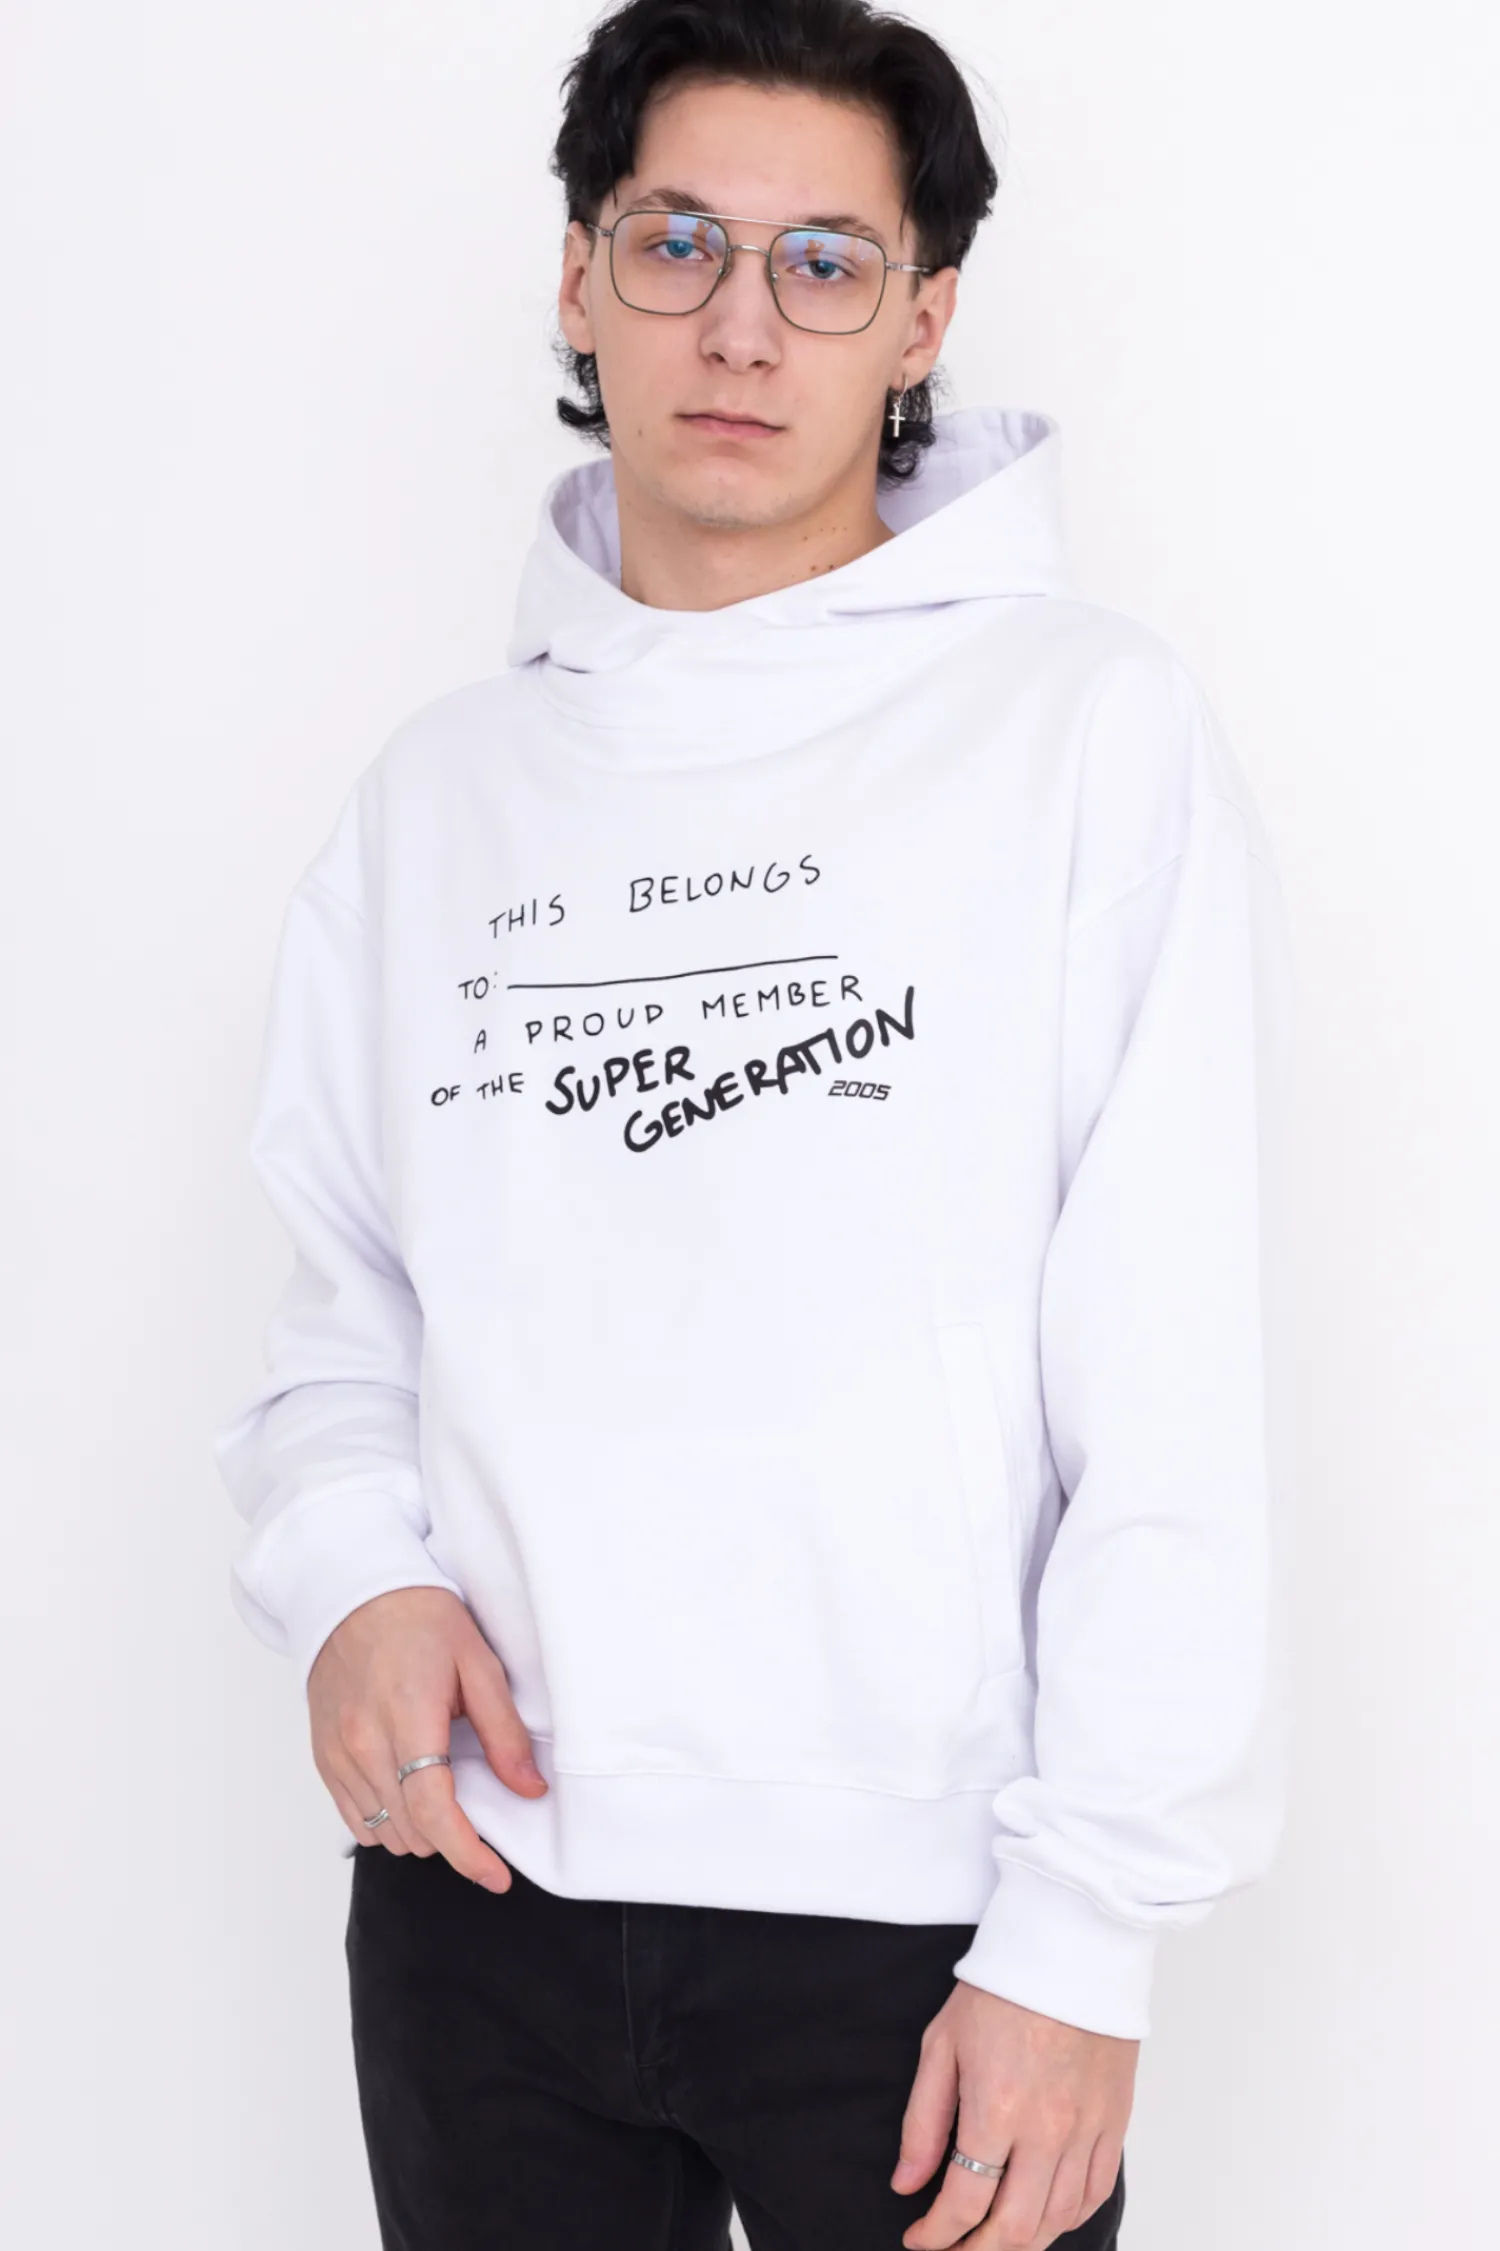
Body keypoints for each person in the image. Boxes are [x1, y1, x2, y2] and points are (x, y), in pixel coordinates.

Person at [214, 3, 1295, 2246]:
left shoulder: (1080, 727)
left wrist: (1087, 1931)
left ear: (922, 318)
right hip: (482, 1888)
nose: (738, 324)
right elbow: (348, 1304)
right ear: (580, 275)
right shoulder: (443, 791)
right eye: (676, 239)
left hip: (925, 1929)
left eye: (822, 262)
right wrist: (354, 1578)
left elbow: (1174, 1375)